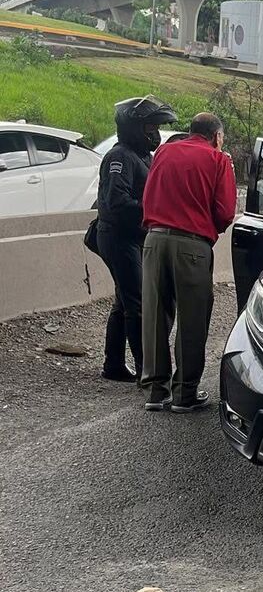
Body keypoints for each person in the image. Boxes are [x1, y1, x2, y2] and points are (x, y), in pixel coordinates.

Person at [140, 112, 237, 413]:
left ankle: (156, 391)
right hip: (192, 245)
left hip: (154, 241)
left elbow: (148, 194)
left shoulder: (165, 152)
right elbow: (225, 212)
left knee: (155, 315)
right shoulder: (218, 161)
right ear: (217, 136)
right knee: (192, 320)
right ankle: (184, 394)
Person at [95, 95, 177, 383]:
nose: (154, 133)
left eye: (156, 128)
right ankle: (148, 370)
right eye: (149, 128)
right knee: (137, 304)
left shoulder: (144, 156)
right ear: (133, 128)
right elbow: (116, 201)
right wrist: (152, 210)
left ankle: (113, 364)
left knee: (123, 301)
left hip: (133, 237)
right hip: (118, 238)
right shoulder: (119, 158)